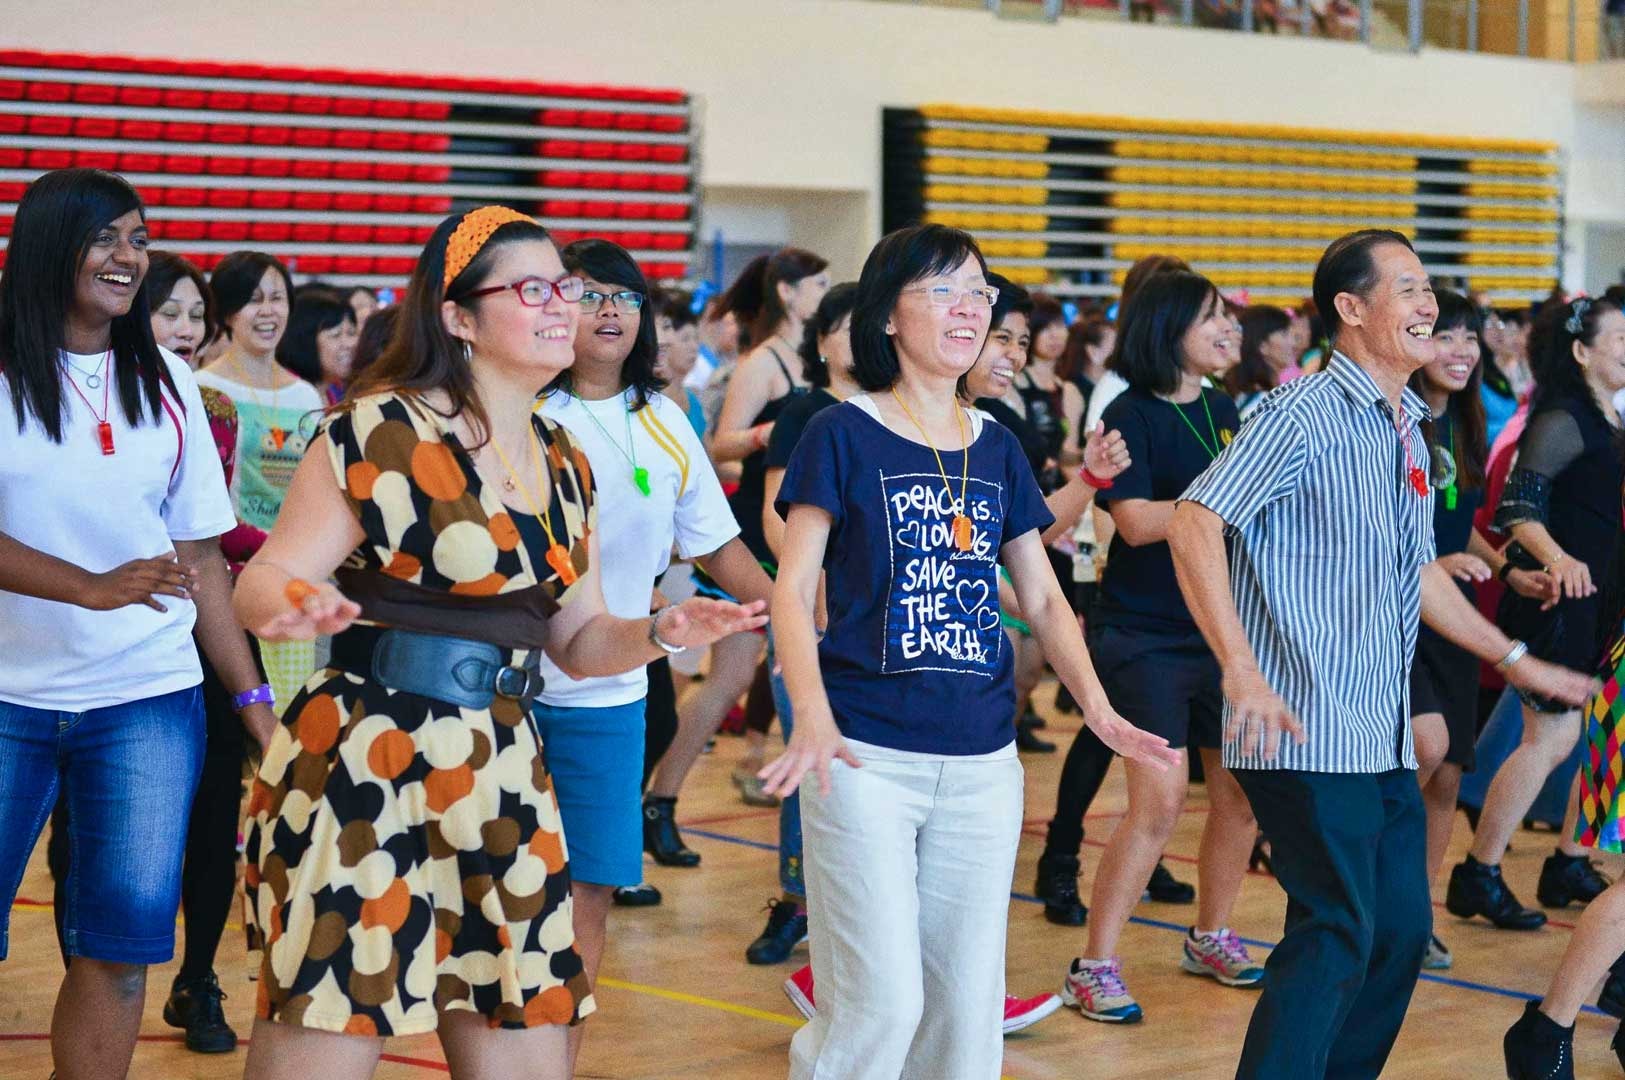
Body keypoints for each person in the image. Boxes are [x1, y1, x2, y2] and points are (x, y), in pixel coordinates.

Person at [233, 206, 764, 1080]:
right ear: (458, 316)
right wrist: (294, 600)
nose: (562, 304)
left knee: (525, 1042)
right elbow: (262, 579)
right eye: (532, 289)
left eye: (566, 287)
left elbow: (579, 642)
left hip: (502, 766)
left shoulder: (563, 458)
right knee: (328, 1031)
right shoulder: (378, 429)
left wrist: (661, 631)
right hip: (368, 763)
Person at [1165, 229, 1595, 1079]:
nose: (1427, 304)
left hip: (1378, 733)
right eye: (1406, 288)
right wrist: (1239, 667)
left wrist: (1516, 658)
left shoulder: (1405, 426)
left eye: (1426, 287)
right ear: (1350, 309)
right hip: (1300, 724)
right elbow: (1194, 521)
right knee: (1335, 931)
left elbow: (1417, 576)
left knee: (1397, 934)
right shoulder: (1299, 414)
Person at [759, 222, 1178, 1080]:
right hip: (864, 753)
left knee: (963, 1011)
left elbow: (1044, 598)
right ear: (888, 315)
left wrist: (1098, 709)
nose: (968, 310)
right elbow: (792, 591)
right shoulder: (840, 432)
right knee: (879, 1003)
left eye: (977, 293)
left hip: (982, 761)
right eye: (943, 291)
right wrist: (810, 715)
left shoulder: (995, 445)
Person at [0, 167, 276, 1080]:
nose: (129, 257)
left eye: (139, 238)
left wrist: (253, 704)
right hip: (8, 696)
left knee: (120, 948)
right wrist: (86, 586)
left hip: (146, 700)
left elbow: (200, 559)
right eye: (106, 237)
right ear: (51, 245)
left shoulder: (169, 383)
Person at [534, 238, 772, 1069]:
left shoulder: (664, 420)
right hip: (505, 698)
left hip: (610, 692)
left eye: (625, 297)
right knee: (502, 895)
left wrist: (789, 612)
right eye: (588, 293)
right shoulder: (523, 410)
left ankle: (556, 1062)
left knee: (589, 891)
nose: (609, 310)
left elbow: (719, 544)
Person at [1059, 270, 1265, 1025]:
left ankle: (1210, 935)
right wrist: (1216, 505)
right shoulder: (1129, 414)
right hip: (1143, 636)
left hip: (1217, 630)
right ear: (1168, 327)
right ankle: (1092, 966)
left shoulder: (1223, 408)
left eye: (1229, 318)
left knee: (1238, 795)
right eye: (1212, 317)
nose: (1229, 329)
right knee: (1160, 801)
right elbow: (1138, 522)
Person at [642, 248, 831, 851]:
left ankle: (663, 799)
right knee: (725, 680)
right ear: (787, 291)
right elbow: (718, 446)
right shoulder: (762, 362)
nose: (824, 293)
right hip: (755, 530)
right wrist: (763, 435)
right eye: (818, 284)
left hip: (808, 530)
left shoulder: (815, 360)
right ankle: (660, 798)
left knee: (751, 676)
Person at [1447, 295, 1625, 931]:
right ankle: (1479, 871)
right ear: (1581, 351)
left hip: (1599, 603)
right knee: (1549, 740)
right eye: (1620, 339)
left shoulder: (1605, 417)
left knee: (1591, 738)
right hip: (1558, 602)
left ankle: (1567, 862)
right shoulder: (1563, 417)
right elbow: (1518, 508)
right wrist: (1559, 559)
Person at [1407, 289, 1559, 972]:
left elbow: (1456, 518)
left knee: (1446, 778)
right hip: (1402, 618)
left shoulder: (1462, 424)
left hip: (1457, 620)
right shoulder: (1394, 424)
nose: (1462, 350)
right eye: (1445, 336)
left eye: (1471, 337)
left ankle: (1415, 918)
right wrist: (1434, 565)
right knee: (1418, 756)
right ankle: (1367, 906)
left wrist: (1505, 567)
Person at [747, 281, 860, 967]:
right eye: (842, 325)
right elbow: (774, 516)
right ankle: (795, 900)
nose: (856, 337)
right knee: (808, 757)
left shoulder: (899, 411)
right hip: (808, 610)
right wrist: (812, 591)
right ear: (820, 342)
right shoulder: (803, 412)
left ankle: (853, 911)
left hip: (875, 621)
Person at [195, 252, 327, 709]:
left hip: (293, 578)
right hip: (228, 578)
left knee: (293, 717)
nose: (268, 311)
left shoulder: (306, 396)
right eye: (253, 300)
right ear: (228, 312)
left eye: (277, 298)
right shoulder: (205, 390)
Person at [277, 286, 360, 406]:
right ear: (306, 341)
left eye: (351, 333)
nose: (349, 344)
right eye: (335, 335)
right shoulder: (286, 393)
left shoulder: (335, 391)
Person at [652, 286, 708, 436]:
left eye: (666, 326)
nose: (694, 347)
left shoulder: (692, 399)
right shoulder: (637, 401)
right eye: (685, 339)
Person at [1225, 305, 1296, 418]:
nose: (1293, 343)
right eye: (1284, 334)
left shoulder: (1252, 395)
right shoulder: (1262, 404)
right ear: (1262, 345)